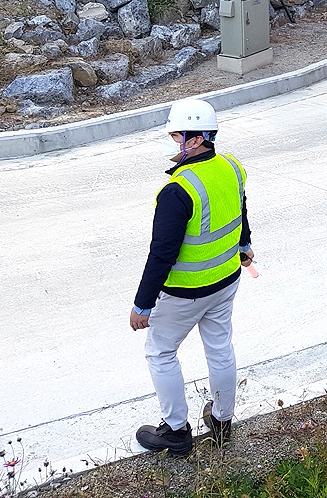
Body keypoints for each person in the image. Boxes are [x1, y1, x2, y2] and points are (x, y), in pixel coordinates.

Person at [130, 97, 254, 456]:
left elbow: (162, 254)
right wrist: (245, 246)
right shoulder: (231, 167)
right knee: (220, 348)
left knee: (160, 351)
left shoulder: (178, 190)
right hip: (226, 280)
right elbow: (240, 210)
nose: (172, 142)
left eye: (176, 136)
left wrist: (142, 304)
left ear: (196, 139)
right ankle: (221, 421)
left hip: (185, 293)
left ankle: (175, 432)